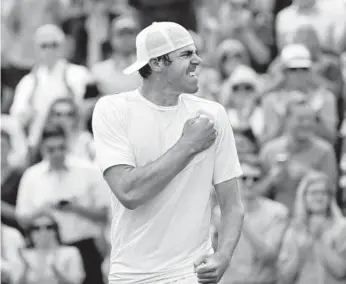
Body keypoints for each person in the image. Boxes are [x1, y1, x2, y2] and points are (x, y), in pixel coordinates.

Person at [92, 22, 244, 284]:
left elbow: (233, 205)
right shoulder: (112, 109)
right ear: (157, 63)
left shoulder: (214, 114)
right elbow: (129, 192)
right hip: (130, 275)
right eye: (186, 54)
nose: (198, 60)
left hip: (192, 273)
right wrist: (188, 145)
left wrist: (224, 256)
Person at [16, 125, 110, 284]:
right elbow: (22, 219)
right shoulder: (32, 176)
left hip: (85, 246)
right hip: (49, 250)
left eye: (61, 148)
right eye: (51, 149)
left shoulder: (88, 171)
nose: (57, 153)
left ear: (68, 145)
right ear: (43, 148)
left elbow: (104, 215)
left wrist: (76, 208)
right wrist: (42, 211)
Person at [216, 163, 289, 284]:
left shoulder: (277, 212)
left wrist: (239, 220)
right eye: (244, 178)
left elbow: (269, 255)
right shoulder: (219, 212)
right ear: (234, 180)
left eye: (256, 179)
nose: (250, 183)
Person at [259, 99, 338, 211]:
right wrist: (271, 179)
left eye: (311, 120)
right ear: (286, 120)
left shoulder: (325, 151)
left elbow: (332, 192)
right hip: (276, 217)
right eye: (301, 119)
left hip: (311, 215)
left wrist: (308, 175)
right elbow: (254, 192)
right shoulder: (269, 150)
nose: (307, 124)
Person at [278, 171, 346, 284]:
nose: (319, 197)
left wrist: (318, 239)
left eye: (323, 193)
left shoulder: (342, 227)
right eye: (313, 193)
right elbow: (285, 277)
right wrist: (301, 252)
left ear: (330, 197)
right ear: (303, 197)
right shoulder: (294, 230)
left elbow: (341, 271)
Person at [14, 215, 85, 284]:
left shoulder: (70, 252)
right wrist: (25, 269)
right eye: (36, 228)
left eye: (49, 227)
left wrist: (56, 271)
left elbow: (77, 281)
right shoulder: (24, 255)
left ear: (56, 230)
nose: (43, 231)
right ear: (30, 233)